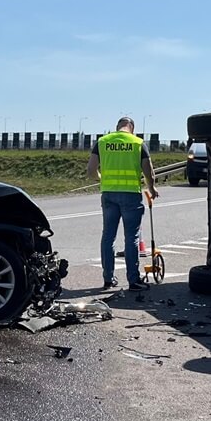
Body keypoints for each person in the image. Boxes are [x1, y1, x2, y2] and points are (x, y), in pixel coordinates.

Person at [87, 116, 158, 291]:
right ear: (131, 127)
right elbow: (148, 171)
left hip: (109, 194)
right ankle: (133, 280)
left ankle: (108, 279)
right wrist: (152, 188)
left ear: (117, 127)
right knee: (131, 238)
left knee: (108, 236)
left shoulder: (102, 142)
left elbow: (90, 171)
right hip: (131, 195)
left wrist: (102, 179)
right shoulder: (137, 142)